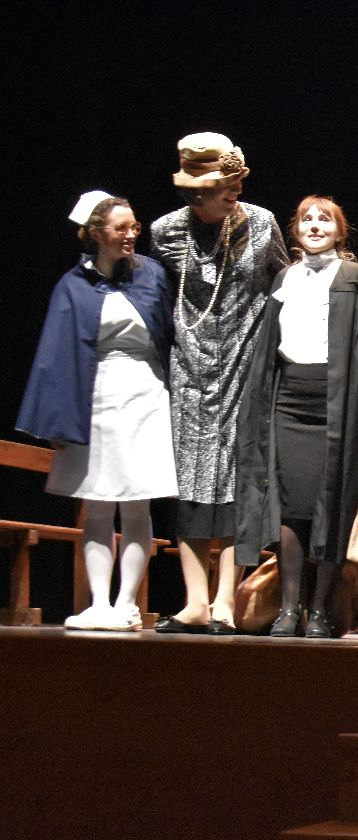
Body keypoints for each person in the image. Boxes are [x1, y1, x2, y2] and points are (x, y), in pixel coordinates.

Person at [17, 192, 177, 630]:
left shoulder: (152, 276)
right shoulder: (74, 285)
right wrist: (57, 418)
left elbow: (172, 337)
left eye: (134, 227)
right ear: (95, 233)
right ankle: (99, 603)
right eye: (120, 228)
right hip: (96, 396)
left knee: (137, 504)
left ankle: (127, 602)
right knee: (98, 505)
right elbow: (56, 355)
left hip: (145, 392)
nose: (130, 235)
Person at [150, 132, 288, 634]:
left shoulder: (262, 224)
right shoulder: (166, 232)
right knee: (189, 489)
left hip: (244, 372)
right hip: (189, 374)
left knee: (234, 486)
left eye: (236, 182)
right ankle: (194, 601)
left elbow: (284, 285)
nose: (234, 190)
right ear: (195, 192)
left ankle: (226, 601)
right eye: (223, 184)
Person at [235, 196, 358, 638]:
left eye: (325, 219)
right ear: (295, 230)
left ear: (340, 229)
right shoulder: (286, 277)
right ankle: (289, 608)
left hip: (337, 400)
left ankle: (321, 610)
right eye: (306, 220)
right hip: (290, 399)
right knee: (292, 508)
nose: (315, 226)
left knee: (333, 503)